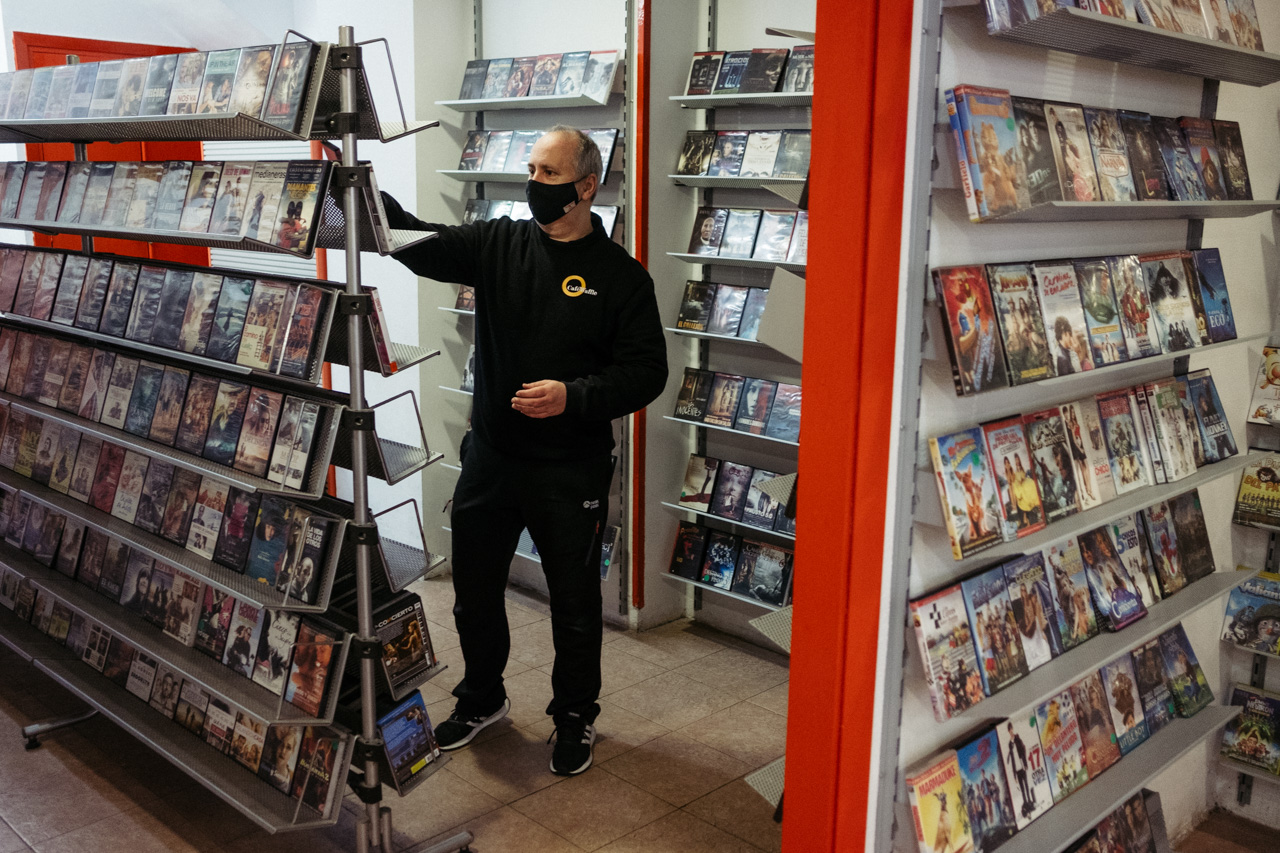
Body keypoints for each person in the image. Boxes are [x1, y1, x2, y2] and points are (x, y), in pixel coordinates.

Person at [381, 126, 667, 776]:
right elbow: (419, 243)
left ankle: (574, 716)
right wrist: (363, 197)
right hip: (491, 457)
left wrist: (573, 396)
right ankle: (482, 698)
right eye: (531, 170)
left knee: (574, 605)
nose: (534, 183)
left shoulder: (621, 278)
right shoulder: (499, 243)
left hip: (570, 469)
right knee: (474, 592)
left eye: (548, 173)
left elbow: (647, 372)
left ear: (586, 186)